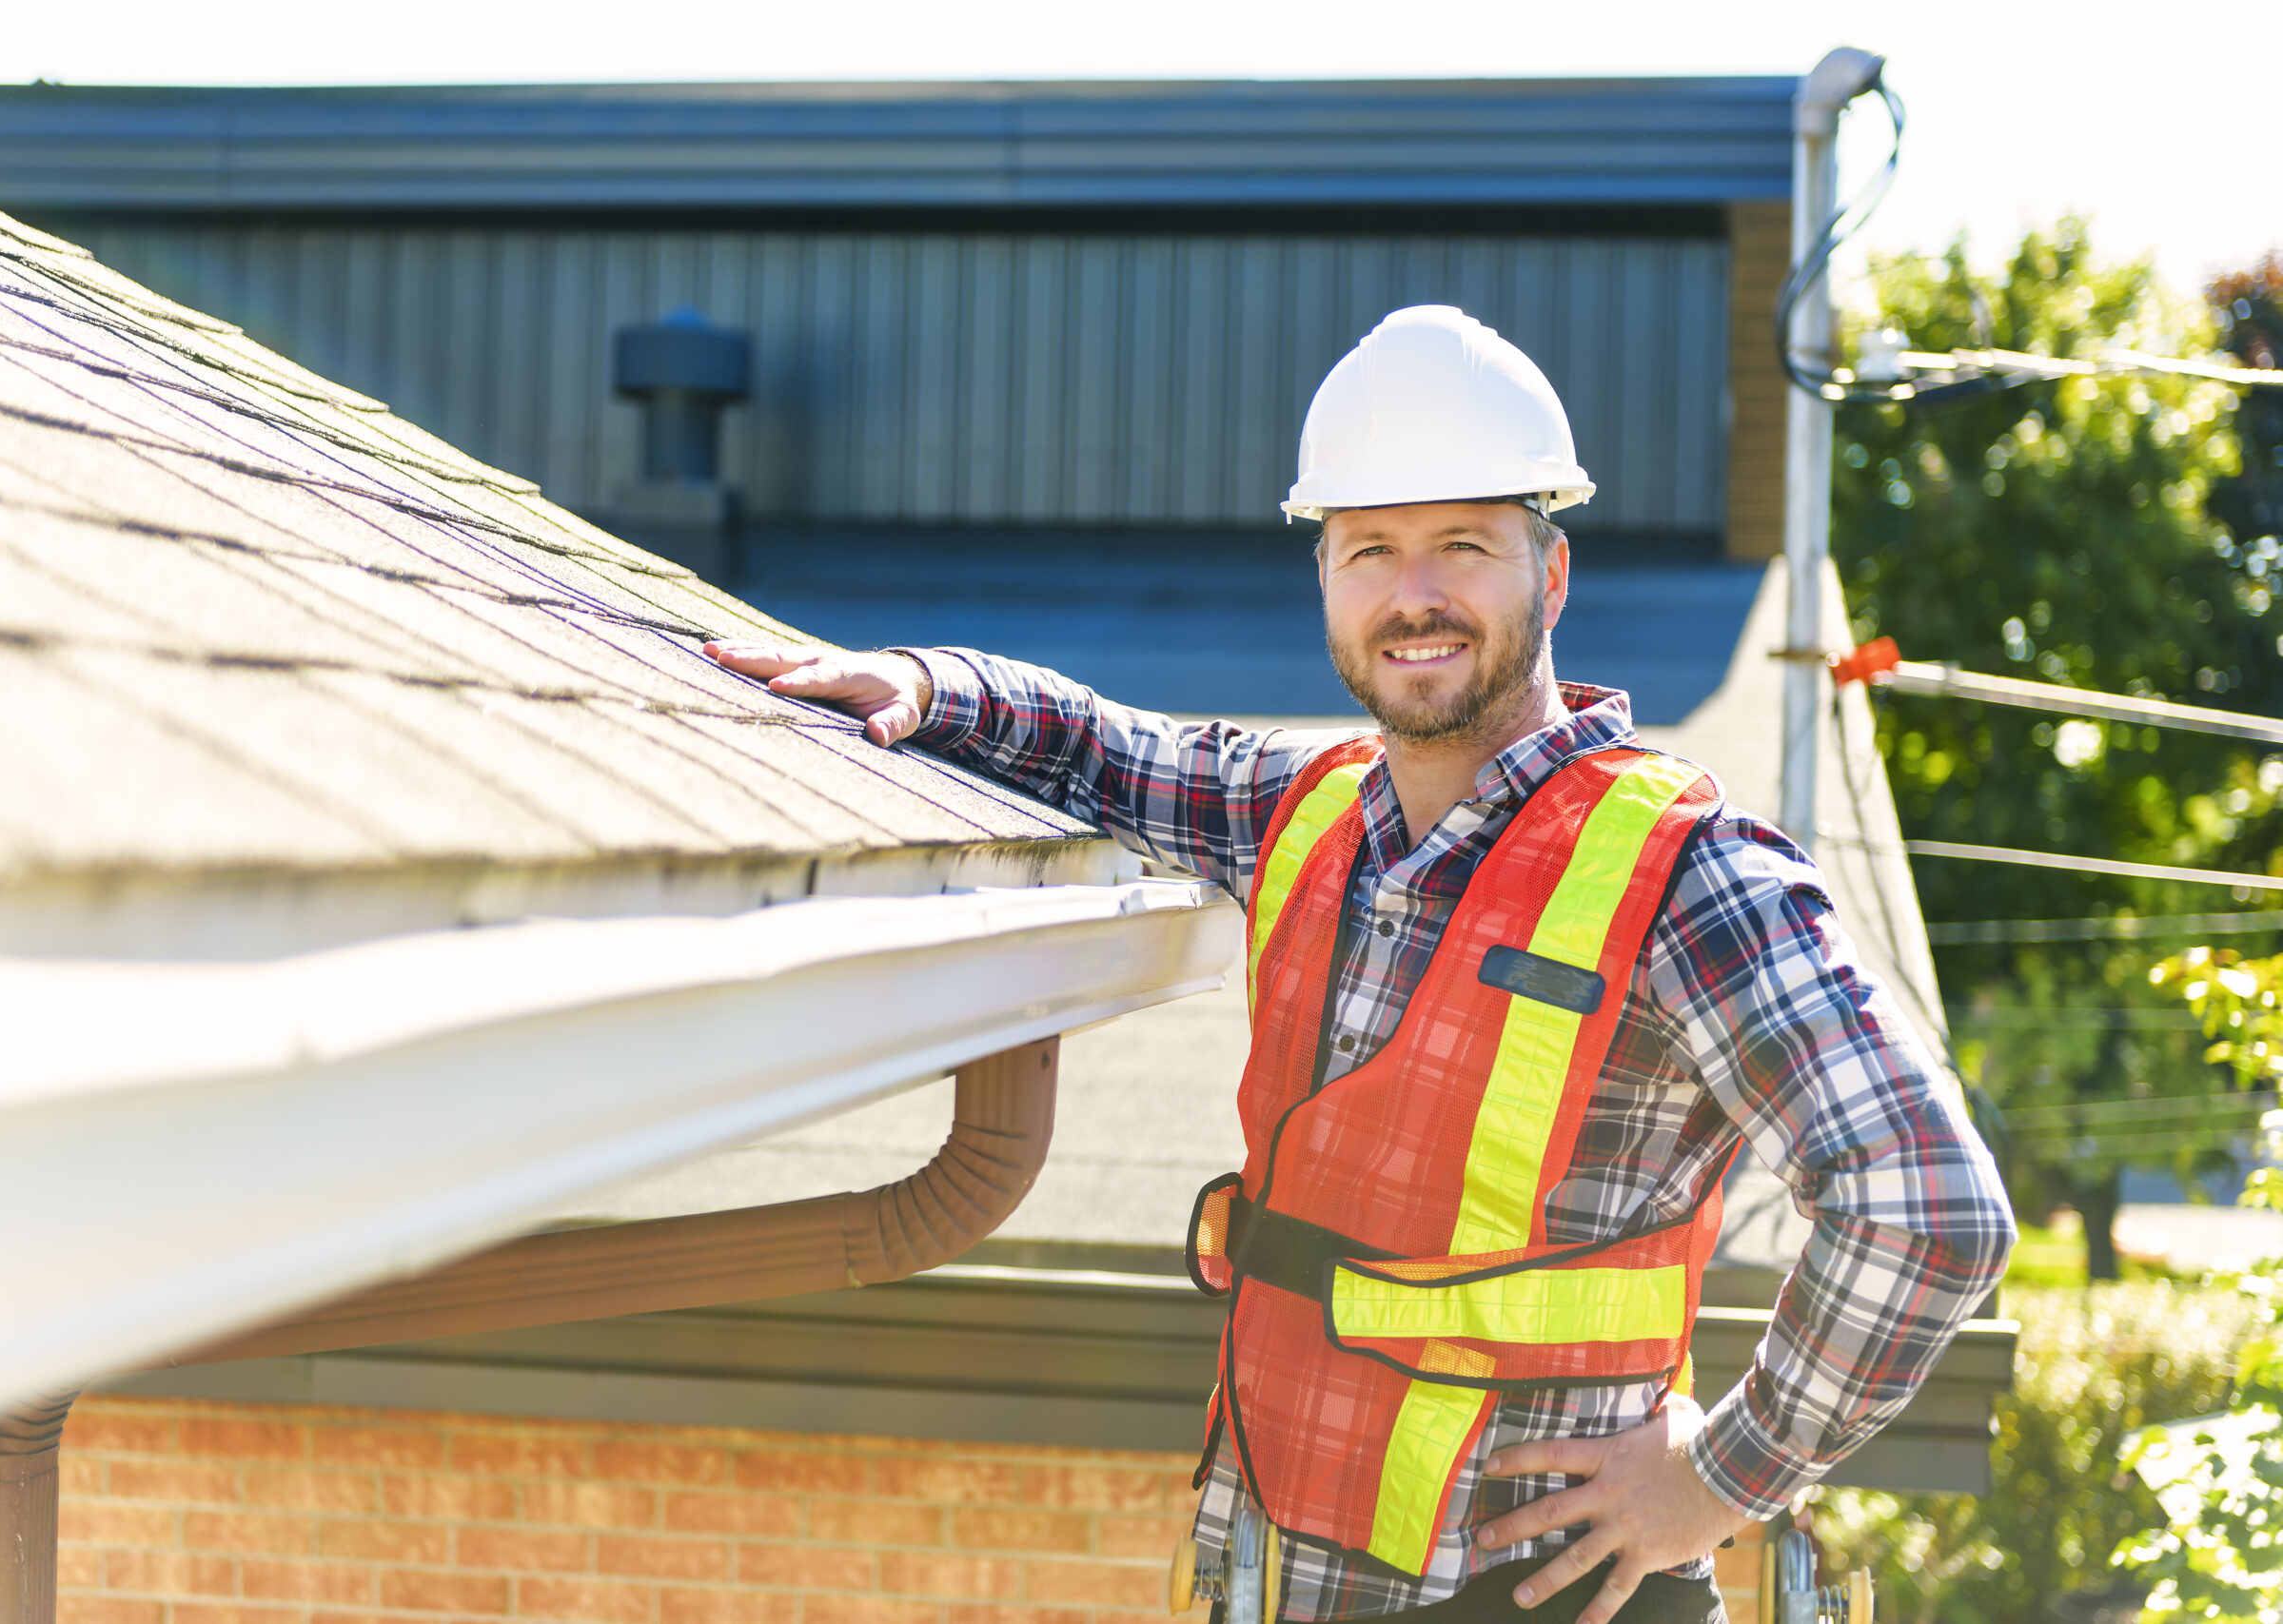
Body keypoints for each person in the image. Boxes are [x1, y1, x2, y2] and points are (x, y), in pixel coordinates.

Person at [703, 305, 2014, 1624]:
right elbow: (1102, 750)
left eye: (1464, 547)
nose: (1414, 595)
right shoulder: (1309, 809)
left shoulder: (1691, 876)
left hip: (1542, 1596)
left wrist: (1727, 1476)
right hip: (1280, 1568)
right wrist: (926, 683)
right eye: (1369, 550)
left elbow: (1933, 1209)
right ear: (1326, 584)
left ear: (1551, 579)